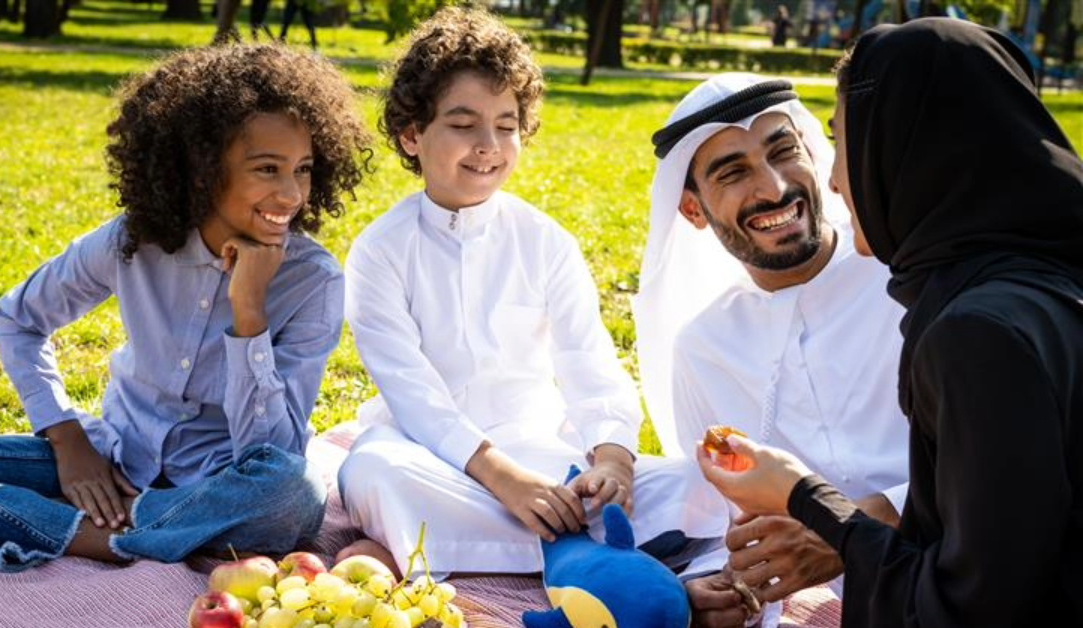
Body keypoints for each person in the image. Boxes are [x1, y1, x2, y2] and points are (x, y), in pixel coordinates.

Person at [0, 45, 373, 572]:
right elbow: (20, 320)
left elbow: (273, 454)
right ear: (204, 170)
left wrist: (249, 311)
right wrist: (68, 439)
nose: (291, 193)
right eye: (267, 168)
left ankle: (81, 532)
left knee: (294, 492)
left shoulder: (314, 280)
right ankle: (157, 534)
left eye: (302, 169)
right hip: (113, 460)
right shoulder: (131, 242)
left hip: (226, 485)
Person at [698, 18, 1083, 628]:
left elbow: (969, 607)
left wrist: (804, 498)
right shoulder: (1041, 279)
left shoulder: (976, 334)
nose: (833, 178)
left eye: (843, 142)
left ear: (908, 151)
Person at [336, 6, 726, 577]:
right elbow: (413, 393)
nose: (489, 144)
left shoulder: (546, 241)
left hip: (542, 451)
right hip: (428, 455)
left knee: (697, 485)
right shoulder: (379, 250)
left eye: (507, 124)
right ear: (412, 134)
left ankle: (432, 547)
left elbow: (587, 360)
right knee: (371, 474)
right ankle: (590, 548)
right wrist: (503, 479)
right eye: (464, 125)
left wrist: (614, 458)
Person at [634, 73, 910, 627]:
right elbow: (726, 520)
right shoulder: (702, 349)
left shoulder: (902, 284)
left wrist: (846, 531)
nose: (774, 187)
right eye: (733, 172)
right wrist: (720, 587)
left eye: (784, 152)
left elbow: (990, 470)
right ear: (692, 210)